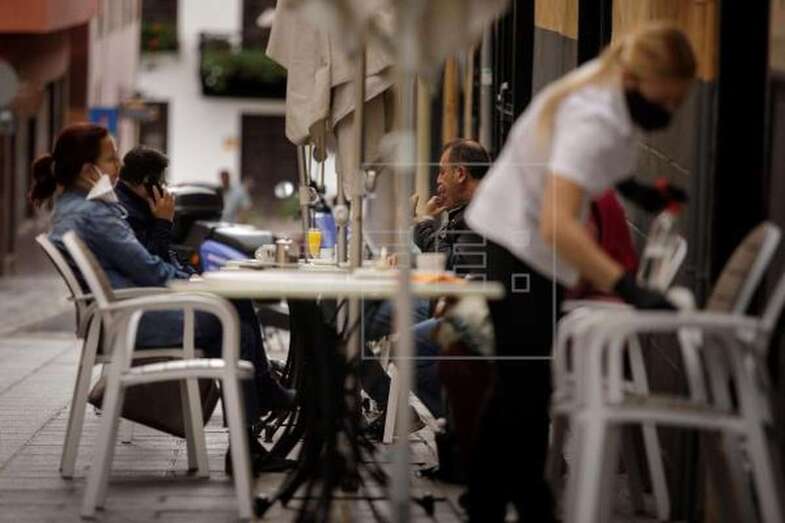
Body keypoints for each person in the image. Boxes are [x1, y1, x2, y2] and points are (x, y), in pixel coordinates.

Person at [463, 22, 696, 521]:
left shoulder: (610, 85)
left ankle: (499, 501)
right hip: (518, 243)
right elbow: (557, 226)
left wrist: (636, 191)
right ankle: (514, 503)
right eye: (668, 100)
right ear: (638, 80)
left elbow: (586, 169)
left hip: (520, 241)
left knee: (521, 385)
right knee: (522, 386)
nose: (670, 112)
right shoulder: (594, 116)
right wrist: (627, 286)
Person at [29, 124, 294, 475]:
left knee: (231, 309)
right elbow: (151, 271)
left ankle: (254, 427)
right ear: (87, 169)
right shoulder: (94, 214)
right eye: (110, 160)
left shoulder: (73, 208)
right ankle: (249, 441)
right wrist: (195, 286)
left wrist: (195, 284)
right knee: (229, 316)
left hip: (124, 314)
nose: (117, 169)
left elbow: (144, 265)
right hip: (135, 318)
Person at [361, 139, 491, 422]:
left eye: (442, 171)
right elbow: (442, 259)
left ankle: (461, 427)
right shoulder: (462, 213)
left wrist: (422, 224)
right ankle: (405, 413)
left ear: (460, 173)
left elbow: (449, 265)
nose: (438, 179)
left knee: (366, 330)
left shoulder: (482, 212)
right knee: (352, 317)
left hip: (466, 310)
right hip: (438, 299)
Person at [115, 146, 193, 272]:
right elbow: (153, 261)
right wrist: (163, 222)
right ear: (149, 180)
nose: (164, 186)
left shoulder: (141, 203)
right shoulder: (126, 213)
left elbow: (168, 254)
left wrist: (190, 273)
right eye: (161, 181)